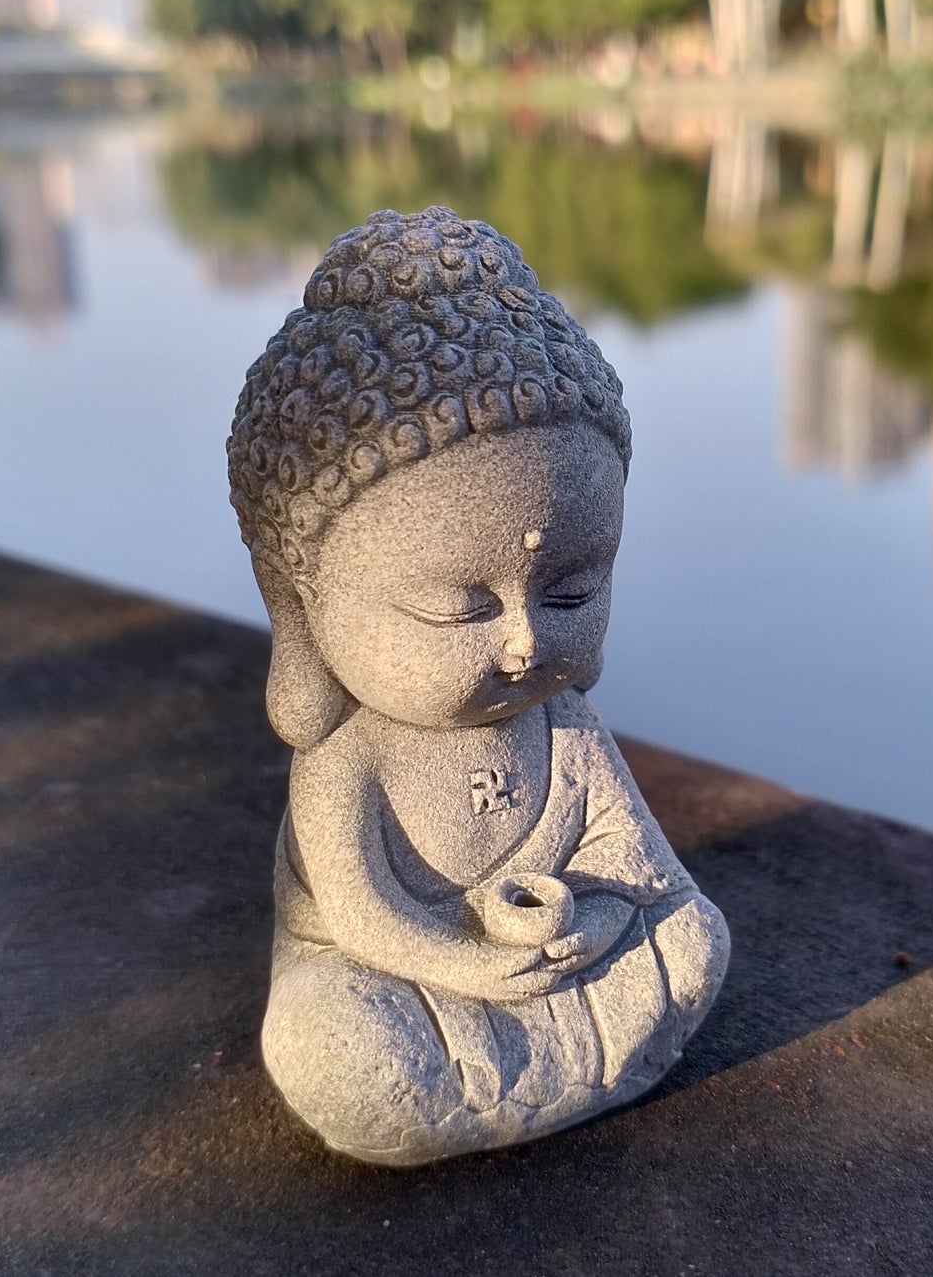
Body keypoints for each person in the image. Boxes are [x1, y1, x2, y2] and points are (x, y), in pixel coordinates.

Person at [227, 206, 729, 1166]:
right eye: (460, 610)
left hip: (547, 963)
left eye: (573, 589)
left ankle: (533, 1066)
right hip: (403, 974)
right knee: (331, 1040)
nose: (524, 642)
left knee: (696, 942)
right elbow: (362, 914)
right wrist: (472, 964)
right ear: (300, 604)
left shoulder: (565, 726)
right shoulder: (350, 755)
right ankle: (493, 1071)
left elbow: (642, 869)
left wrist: (589, 926)